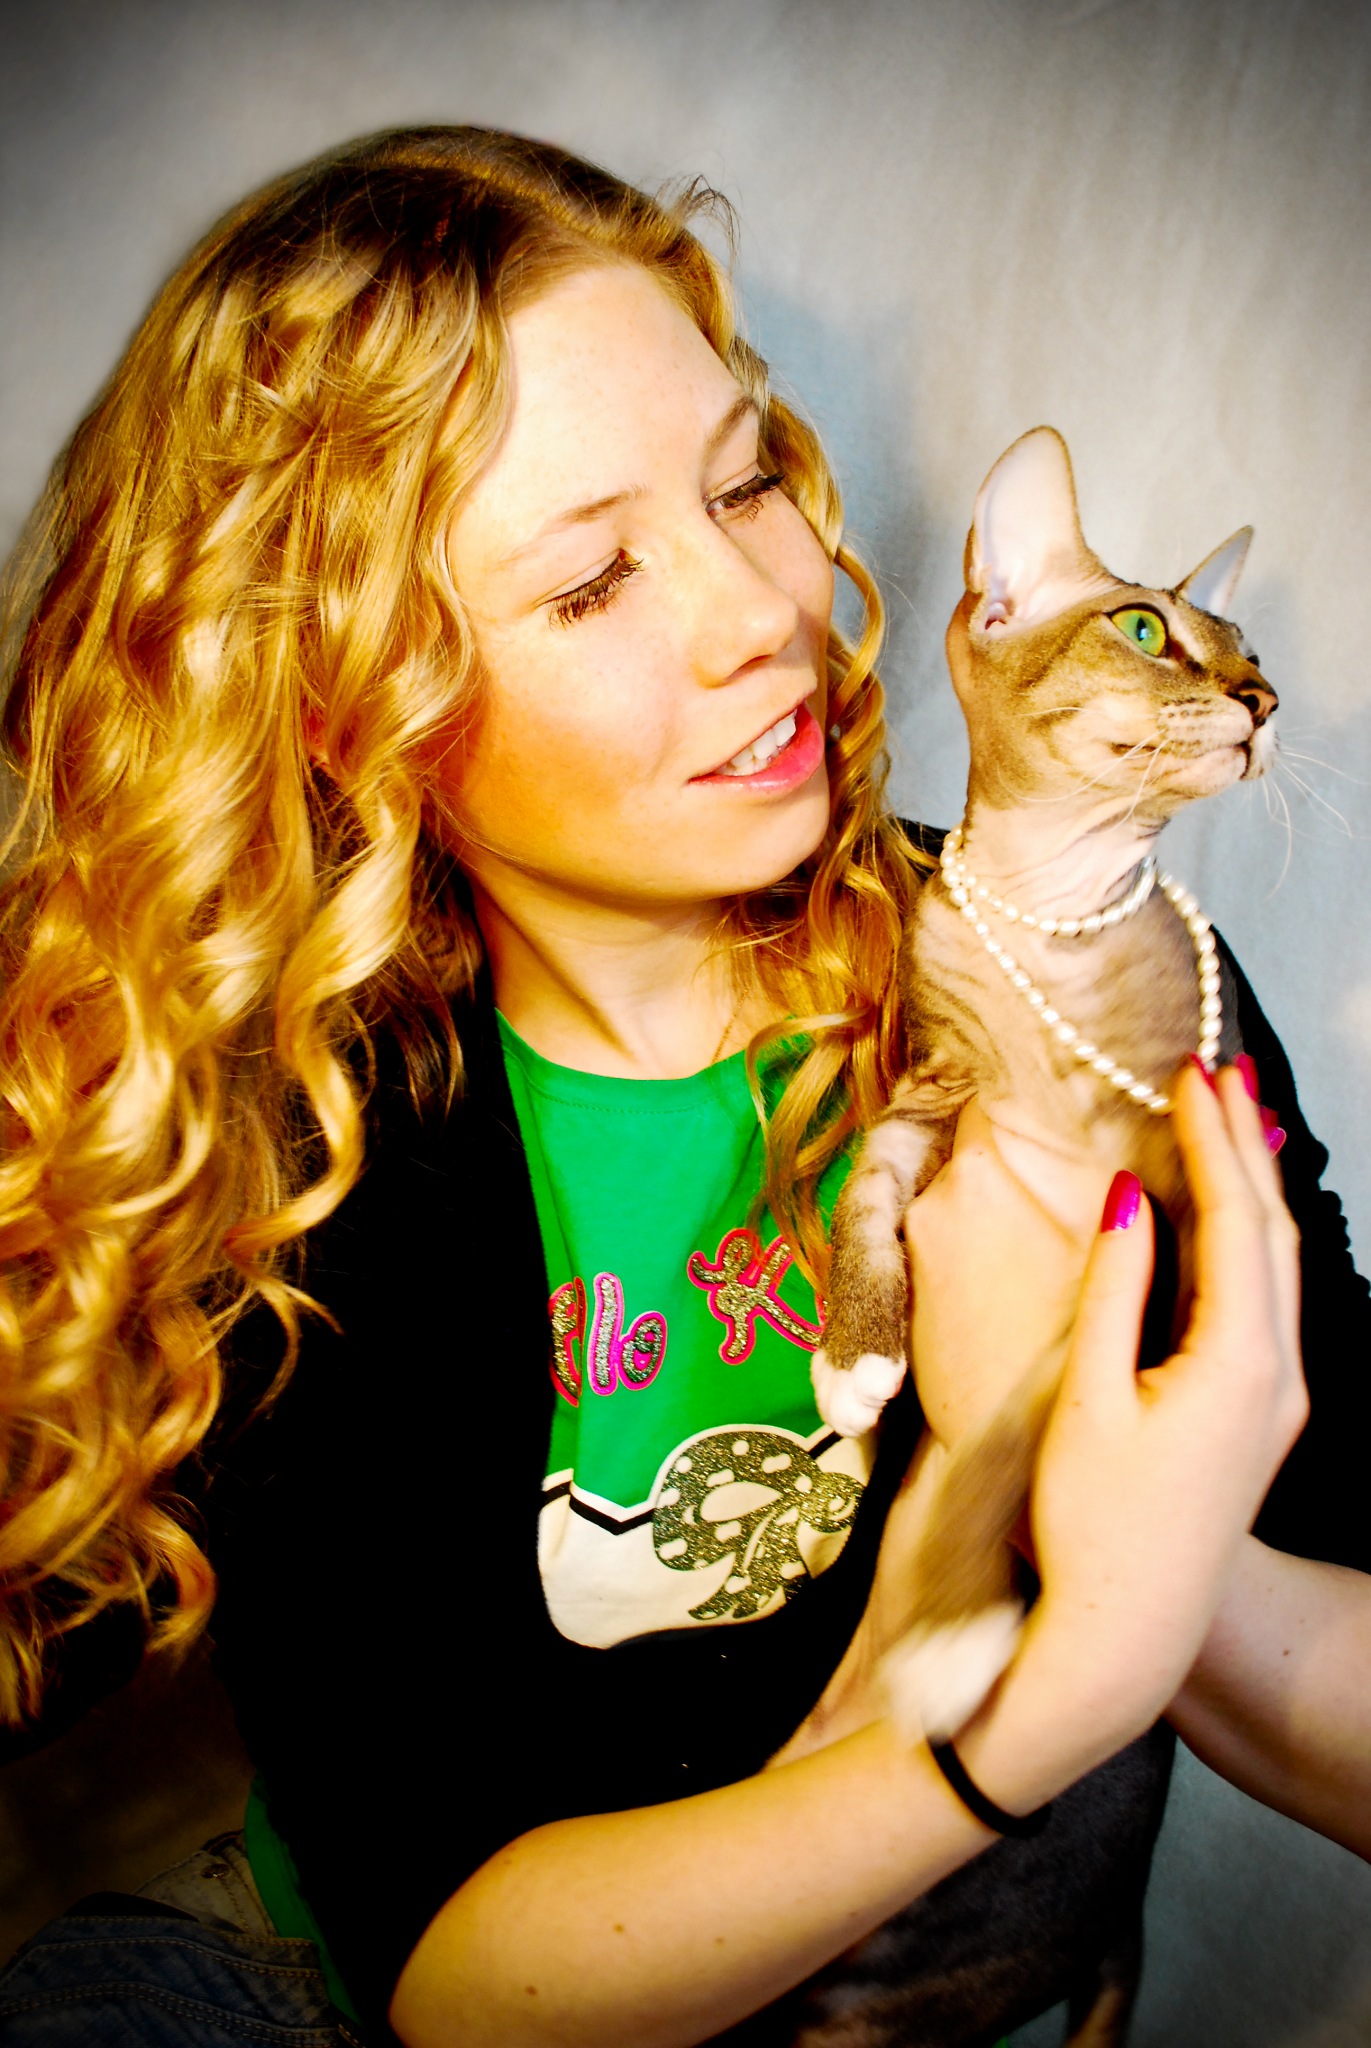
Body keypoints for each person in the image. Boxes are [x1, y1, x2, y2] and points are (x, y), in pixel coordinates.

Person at [0, 125, 1365, 2048]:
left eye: (746, 483)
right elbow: (461, 1976)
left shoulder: (1091, 994)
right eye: (589, 586)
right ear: (351, 701)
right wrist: (1033, 1711)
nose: (760, 613)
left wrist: (1089, 1485)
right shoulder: (303, 1142)